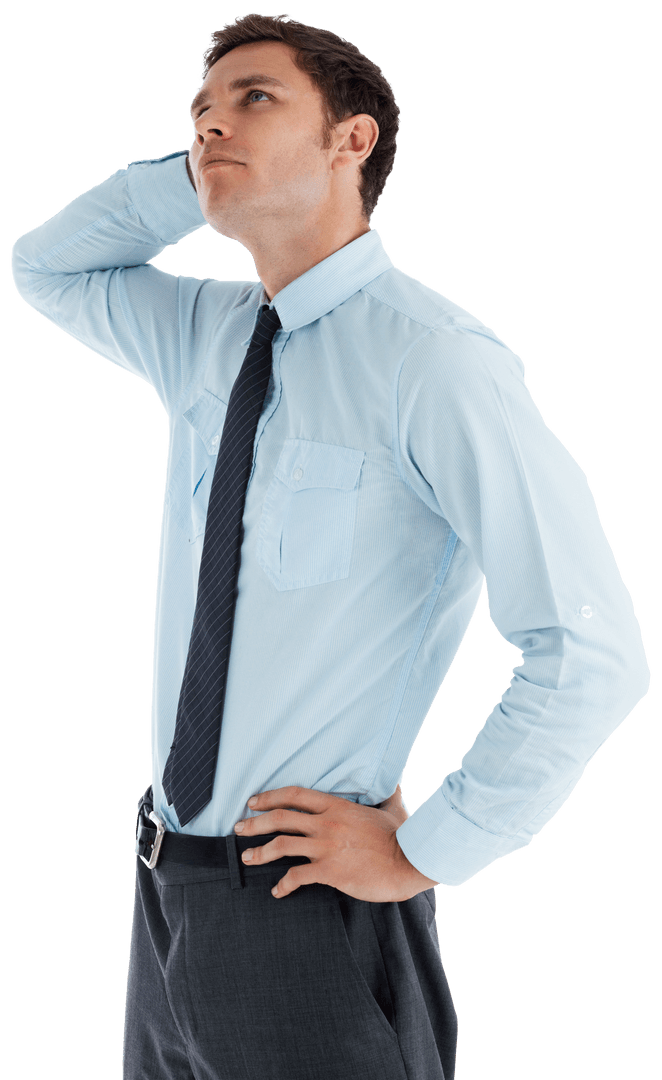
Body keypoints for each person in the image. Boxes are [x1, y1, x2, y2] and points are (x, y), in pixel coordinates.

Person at [10, 11, 650, 1080]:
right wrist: (206, 174)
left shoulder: (433, 362)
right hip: (163, 900)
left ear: (352, 139)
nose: (210, 123)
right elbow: (47, 268)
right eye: (199, 111)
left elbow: (590, 651)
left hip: (310, 910)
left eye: (254, 98)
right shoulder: (205, 333)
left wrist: (427, 849)